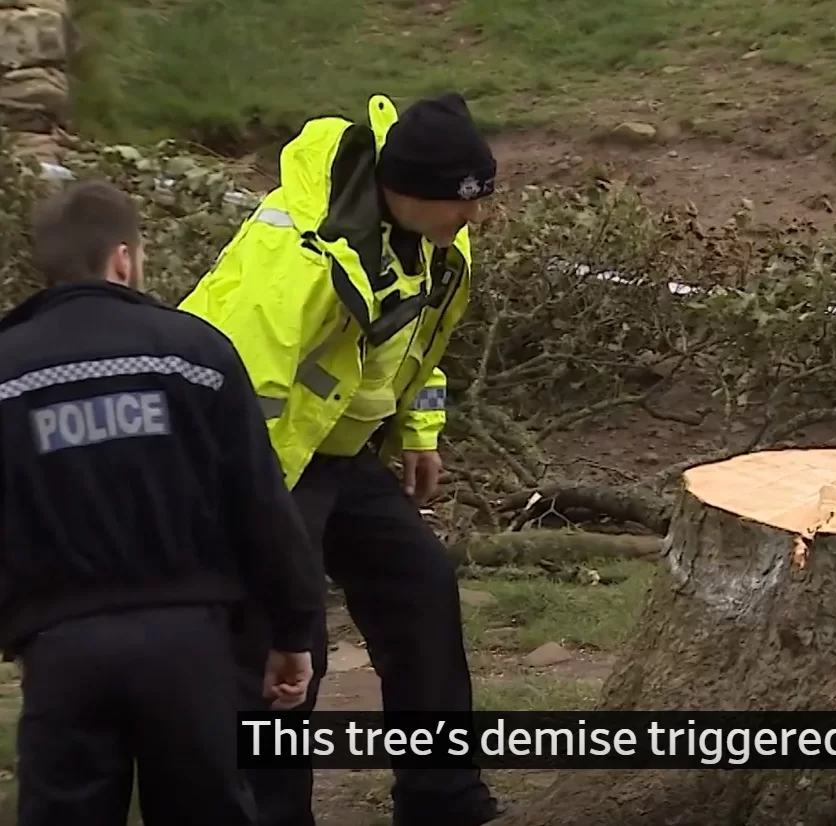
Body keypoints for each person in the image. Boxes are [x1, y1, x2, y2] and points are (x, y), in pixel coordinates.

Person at [177, 92, 505, 826]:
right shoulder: (298, 259)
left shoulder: (435, 237)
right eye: (464, 203)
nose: (475, 219)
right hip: (261, 465)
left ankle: (443, 798)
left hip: (341, 453)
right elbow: (236, 390)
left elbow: (418, 344)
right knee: (286, 649)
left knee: (422, 586)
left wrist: (419, 431)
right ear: (405, 192)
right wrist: (245, 518)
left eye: (481, 200)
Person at [0, 179, 324, 826]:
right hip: (189, 645)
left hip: (61, 653)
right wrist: (292, 631)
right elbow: (260, 505)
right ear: (124, 258)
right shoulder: (197, 354)